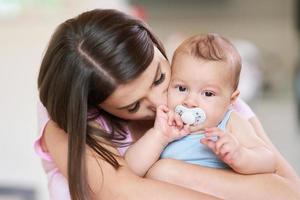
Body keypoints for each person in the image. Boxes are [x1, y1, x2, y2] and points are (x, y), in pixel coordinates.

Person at [35, 8, 300, 200]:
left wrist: (236, 156)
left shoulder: (216, 103)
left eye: (160, 78)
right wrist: (161, 151)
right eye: (132, 106)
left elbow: (289, 191)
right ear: (97, 107)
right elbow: (121, 188)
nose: (163, 100)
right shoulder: (80, 126)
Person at [125, 33, 276, 176]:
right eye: (182, 88)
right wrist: (159, 136)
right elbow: (130, 171)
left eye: (208, 94)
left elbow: (269, 160)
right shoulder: (167, 124)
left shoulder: (230, 122)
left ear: (231, 100)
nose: (190, 102)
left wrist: (240, 155)